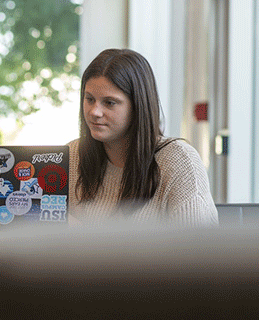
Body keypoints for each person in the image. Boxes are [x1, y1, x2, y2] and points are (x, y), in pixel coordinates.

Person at [68, 48, 218, 226]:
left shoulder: (179, 160)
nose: (95, 112)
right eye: (89, 99)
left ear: (138, 106)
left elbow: (200, 249)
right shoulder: (71, 156)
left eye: (109, 102)